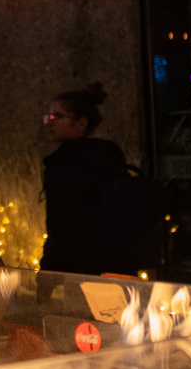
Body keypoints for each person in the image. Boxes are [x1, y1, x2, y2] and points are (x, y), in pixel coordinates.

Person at [38, 82, 128, 275]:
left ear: (81, 122)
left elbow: (62, 225)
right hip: (120, 261)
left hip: (80, 268)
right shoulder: (111, 157)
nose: (49, 122)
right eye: (48, 116)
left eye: (57, 116)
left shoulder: (64, 164)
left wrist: (48, 271)